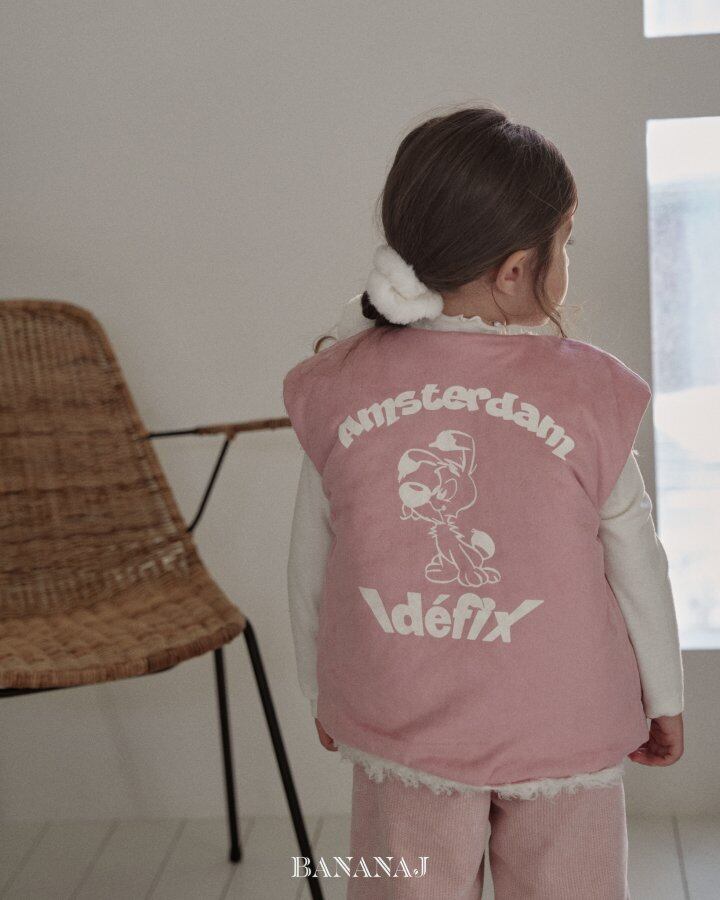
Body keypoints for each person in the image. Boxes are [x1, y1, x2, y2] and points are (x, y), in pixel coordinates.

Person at [282, 104, 684, 899]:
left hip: (401, 722)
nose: (567, 262)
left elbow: (311, 558)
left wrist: (323, 689)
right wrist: (664, 695)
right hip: (562, 721)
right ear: (515, 269)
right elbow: (637, 560)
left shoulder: (342, 382)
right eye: (566, 243)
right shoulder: (588, 393)